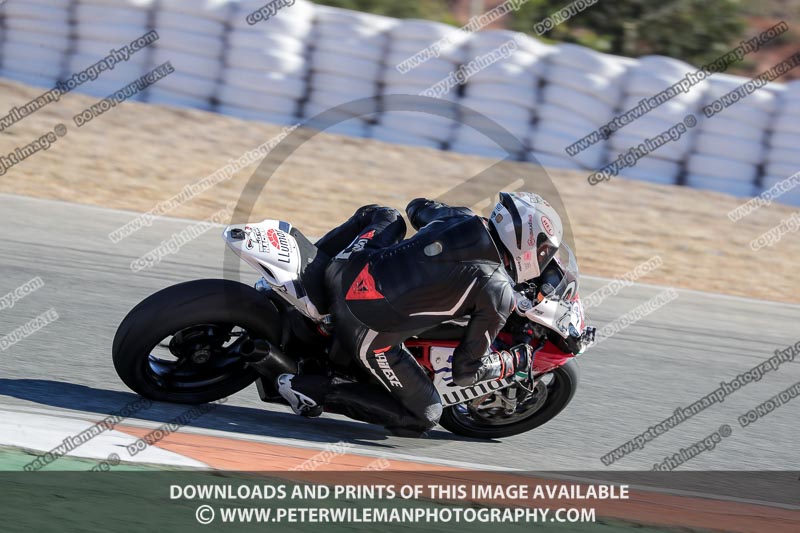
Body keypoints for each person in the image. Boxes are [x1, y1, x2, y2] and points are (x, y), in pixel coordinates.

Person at [276, 192, 565, 437]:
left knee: (385, 215)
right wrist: (513, 361)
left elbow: (416, 207)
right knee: (425, 415)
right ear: (525, 242)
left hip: (344, 268)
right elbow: (465, 372)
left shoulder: (462, 217)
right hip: (365, 325)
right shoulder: (497, 292)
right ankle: (310, 389)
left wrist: (441, 221)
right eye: (543, 251)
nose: (544, 258)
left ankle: (310, 267)